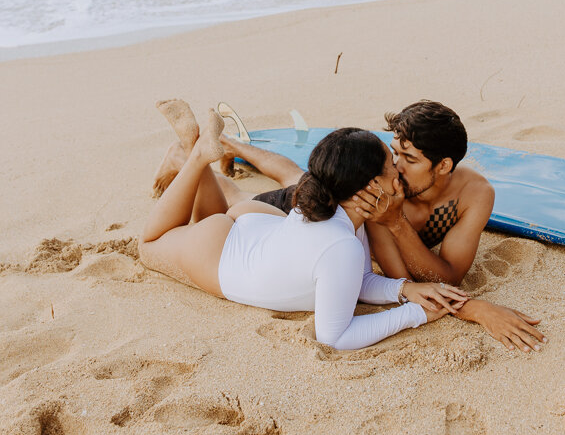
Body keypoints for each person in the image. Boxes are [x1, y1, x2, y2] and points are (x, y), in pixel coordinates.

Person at [219, 100, 547, 354]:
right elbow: (399, 281)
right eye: (394, 155)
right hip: (321, 206)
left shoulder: (475, 194)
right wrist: (475, 309)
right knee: (264, 189)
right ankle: (227, 146)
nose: (397, 168)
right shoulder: (376, 193)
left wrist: (396, 222)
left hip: (369, 218)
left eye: (411, 159)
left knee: (290, 175)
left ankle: (227, 145)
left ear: (444, 165)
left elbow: (448, 277)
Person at [140, 100, 468, 351]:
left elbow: (361, 279)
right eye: (389, 166)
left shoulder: (335, 207)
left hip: (253, 231)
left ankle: (197, 149)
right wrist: (417, 314)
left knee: (205, 221)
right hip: (222, 250)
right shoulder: (342, 246)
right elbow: (335, 337)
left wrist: (404, 290)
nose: (397, 170)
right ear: (368, 186)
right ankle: (196, 156)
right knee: (149, 246)